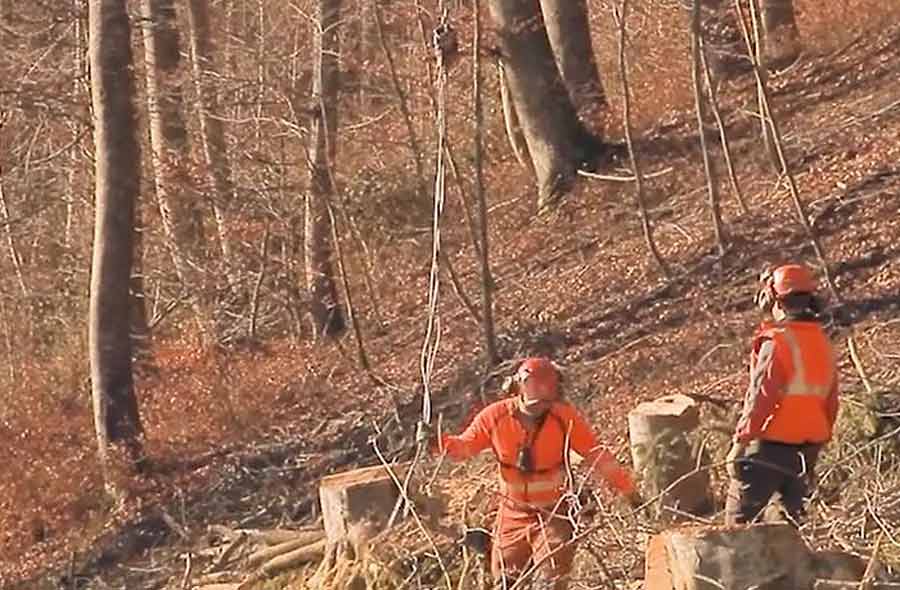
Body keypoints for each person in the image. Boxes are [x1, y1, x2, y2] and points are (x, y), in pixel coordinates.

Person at [432, 357, 639, 589]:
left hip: (555, 514)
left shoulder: (563, 418)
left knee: (551, 579)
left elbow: (597, 455)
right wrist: (437, 442)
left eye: (544, 401)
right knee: (505, 580)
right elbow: (464, 447)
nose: (538, 407)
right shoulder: (496, 416)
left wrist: (628, 490)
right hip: (512, 514)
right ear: (518, 387)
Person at [725, 264, 839, 525]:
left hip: (768, 449)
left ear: (773, 298)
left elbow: (760, 396)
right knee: (794, 530)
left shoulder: (778, 342)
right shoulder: (822, 342)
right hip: (807, 450)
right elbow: (831, 402)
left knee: (738, 530)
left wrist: (740, 442)